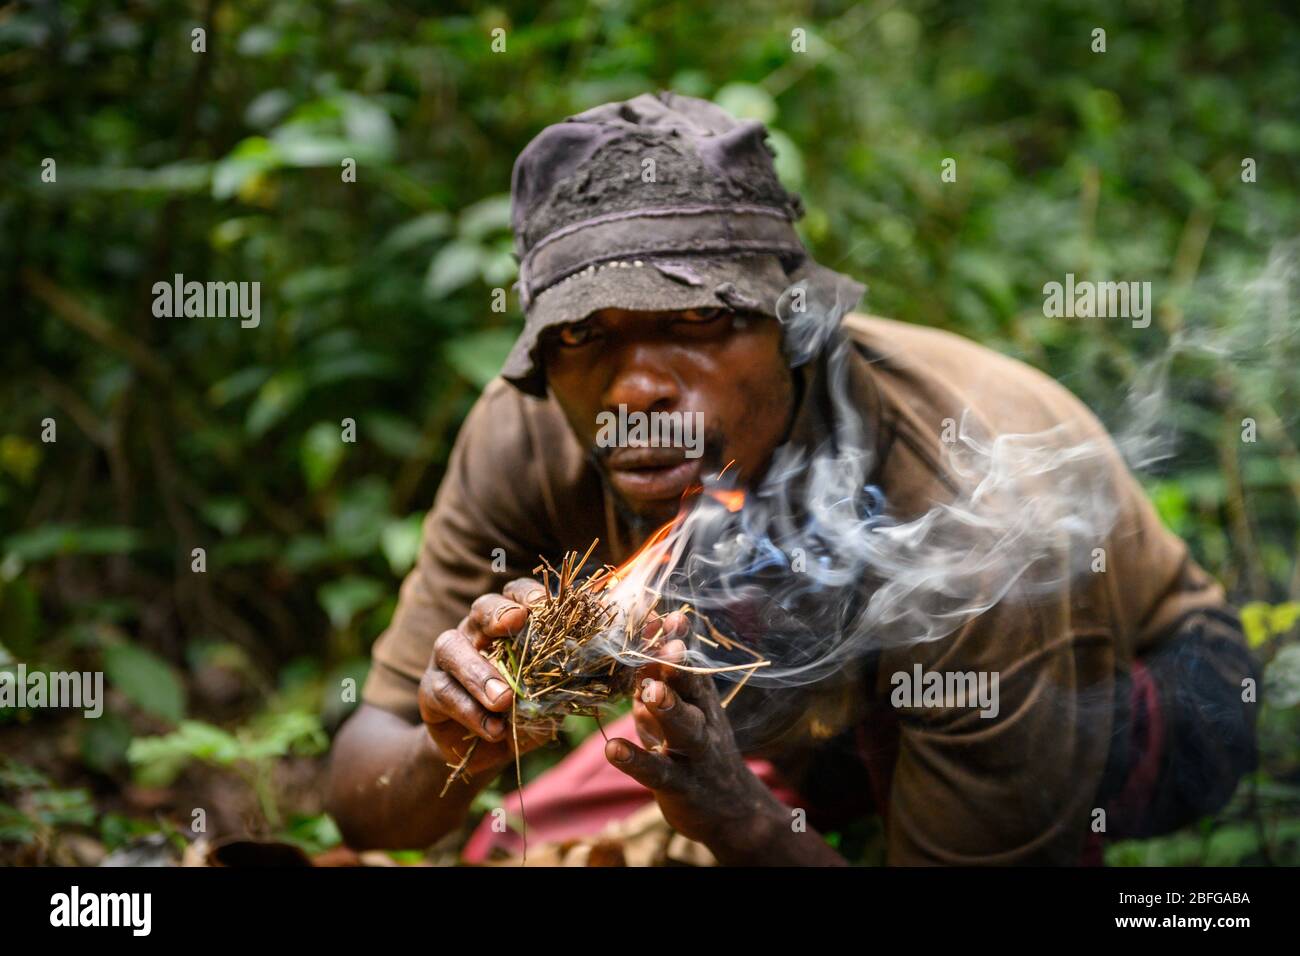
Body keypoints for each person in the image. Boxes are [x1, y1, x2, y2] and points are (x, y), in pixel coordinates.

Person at [326, 92, 1258, 865]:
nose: (639, 383)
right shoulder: (525, 434)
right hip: (800, 721)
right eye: (583, 332)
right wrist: (460, 744)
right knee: (518, 842)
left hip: (1142, 686)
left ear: (793, 325)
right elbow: (365, 799)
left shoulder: (970, 509)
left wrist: (742, 826)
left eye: (697, 318)